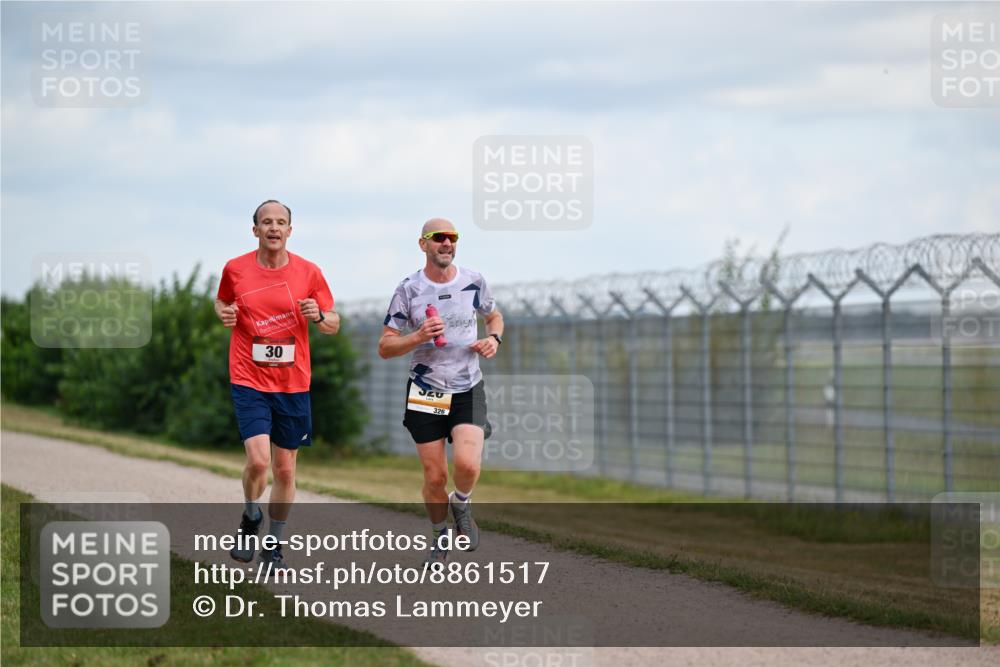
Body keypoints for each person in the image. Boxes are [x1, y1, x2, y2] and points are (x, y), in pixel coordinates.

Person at [215, 199, 339, 570]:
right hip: (248, 376)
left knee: (285, 471)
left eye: (280, 222)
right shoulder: (235, 269)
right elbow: (221, 303)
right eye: (266, 222)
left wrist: (319, 315)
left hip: (293, 382)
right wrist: (224, 313)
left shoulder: (309, 272)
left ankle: (274, 541)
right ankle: (251, 515)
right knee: (258, 460)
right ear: (255, 230)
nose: (273, 228)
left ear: (289, 230)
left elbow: (333, 323)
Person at [379, 218, 504, 567]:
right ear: (423, 245)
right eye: (438, 238)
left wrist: (493, 339)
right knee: (434, 476)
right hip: (426, 389)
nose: (446, 243)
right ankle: (438, 536)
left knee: (466, 463)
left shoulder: (473, 281)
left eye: (452, 238)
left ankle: (461, 501)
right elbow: (385, 346)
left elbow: (495, 317)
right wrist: (417, 336)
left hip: (467, 385)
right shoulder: (409, 290)